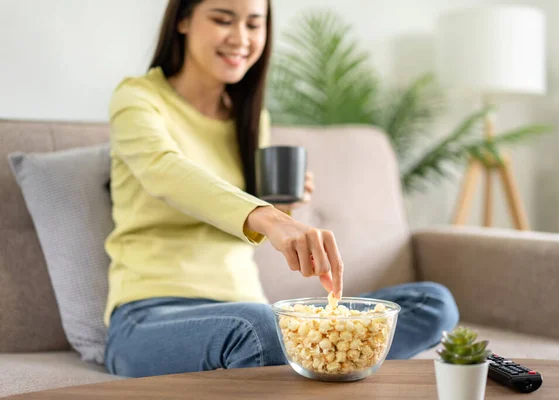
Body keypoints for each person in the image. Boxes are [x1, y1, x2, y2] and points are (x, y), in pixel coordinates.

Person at [103, 0, 459, 378]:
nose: (241, 38)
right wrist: (269, 217)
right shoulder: (138, 98)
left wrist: (282, 207)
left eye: (255, 25)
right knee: (261, 328)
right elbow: (164, 170)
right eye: (223, 19)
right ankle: (308, 360)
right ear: (184, 20)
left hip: (244, 309)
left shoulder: (252, 118)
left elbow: (239, 225)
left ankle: (321, 360)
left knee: (432, 304)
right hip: (149, 318)